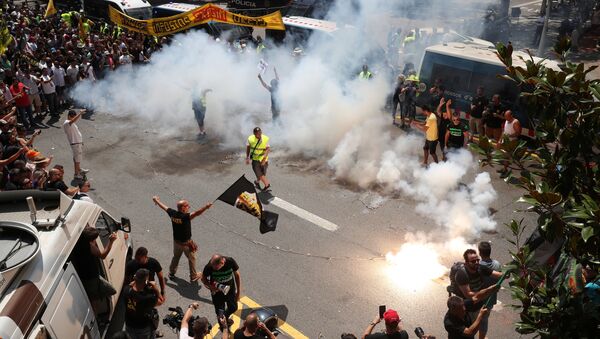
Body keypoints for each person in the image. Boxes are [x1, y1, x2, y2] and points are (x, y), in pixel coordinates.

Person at [152, 195, 212, 282]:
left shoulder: (172, 213)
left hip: (176, 242)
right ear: (183, 208)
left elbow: (164, 207)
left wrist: (157, 201)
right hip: (186, 243)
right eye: (187, 206)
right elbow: (197, 213)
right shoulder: (185, 217)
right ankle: (193, 276)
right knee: (192, 259)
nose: (189, 207)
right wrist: (206, 207)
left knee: (176, 257)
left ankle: (171, 273)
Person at [455, 249, 502, 339]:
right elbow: (468, 295)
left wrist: (508, 271)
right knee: (471, 329)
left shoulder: (480, 267)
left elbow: (497, 274)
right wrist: (487, 291)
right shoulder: (461, 274)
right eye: (473, 261)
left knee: (483, 322)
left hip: (481, 303)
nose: (476, 262)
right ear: (466, 263)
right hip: (469, 308)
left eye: (477, 260)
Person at [71, 226, 118, 313]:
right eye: (94, 239)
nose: (95, 241)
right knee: (95, 299)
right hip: (91, 278)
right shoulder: (89, 247)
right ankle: (95, 317)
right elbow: (102, 255)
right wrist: (111, 241)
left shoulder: (77, 243)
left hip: (83, 275)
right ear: (89, 240)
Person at [201, 254, 241, 327]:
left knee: (233, 307)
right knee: (220, 314)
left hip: (230, 290)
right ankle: (222, 325)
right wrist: (211, 287)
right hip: (217, 293)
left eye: (216, 268)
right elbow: (203, 278)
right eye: (212, 266)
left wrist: (238, 292)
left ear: (222, 262)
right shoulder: (209, 266)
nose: (213, 268)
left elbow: (237, 275)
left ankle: (225, 317)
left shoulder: (230, 261)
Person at [124, 268, 164, 339]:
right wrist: (156, 289)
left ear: (135, 278)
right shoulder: (147, 298)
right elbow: (161, 301)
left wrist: (137, 280)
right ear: (145, 281)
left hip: (129, 324)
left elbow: (131, 285)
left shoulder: (127, 290)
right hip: (142, 327)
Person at [63, 109, 89, 180]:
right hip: (75, 144)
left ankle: (79, 170)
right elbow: (72, 121)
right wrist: (80, 113)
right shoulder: (67, 123)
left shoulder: (70, 123)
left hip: (77, 143)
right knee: (77, 160)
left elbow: (76, 133)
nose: (73, 118)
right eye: (72, 117)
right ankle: (76, 174)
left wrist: (81, 141)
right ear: (68, 116)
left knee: (76, 159)